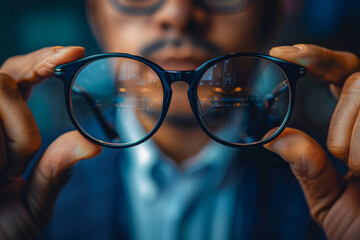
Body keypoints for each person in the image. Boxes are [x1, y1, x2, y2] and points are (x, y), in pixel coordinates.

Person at [0, 0, 359, 239]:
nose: (178, 13)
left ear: (270, 20)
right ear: (96, 18)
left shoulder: (341, 190)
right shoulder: (17, 184)